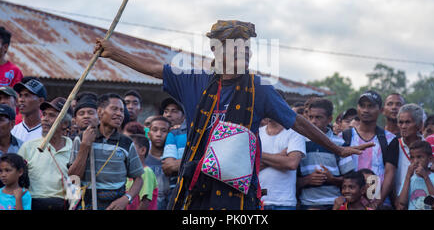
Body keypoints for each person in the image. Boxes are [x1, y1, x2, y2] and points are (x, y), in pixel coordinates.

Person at [95, 19, 372, 210]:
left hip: (238, 194)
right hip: (195, 188)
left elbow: (296, 120)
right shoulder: (194, 80)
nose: (247, 54)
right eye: (238, 47)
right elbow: (155, 68)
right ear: (218, 51)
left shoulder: (260, 89)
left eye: (248, 48)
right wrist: (115, 52)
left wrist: (336, 147)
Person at [68, 93, 144, 210]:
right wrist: (85, 146)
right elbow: (73, 177)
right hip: (86, 204)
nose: (119, 114)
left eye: (121, 111)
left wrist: (126, 199)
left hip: (115, 205)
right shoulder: (82, 138)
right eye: (114, 109)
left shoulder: (126, 143)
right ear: (99, 112)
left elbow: (138, 179)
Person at [342, 90, 398, 209]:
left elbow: (390, 174)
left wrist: (377, 203)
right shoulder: (345, 136)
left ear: (381, 110)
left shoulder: (390, 139)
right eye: (362, 106)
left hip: (380, 203)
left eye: (371, 106)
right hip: (350, 204)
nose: (365, 110)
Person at [297, 98, 355, 210]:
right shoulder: (299, 142)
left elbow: (351, 180)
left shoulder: (339, 143)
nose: (313, 121)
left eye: (318, 117)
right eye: (310, 117)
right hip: (307, 204)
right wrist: (307, 179)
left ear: (329, 119)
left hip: (334, 204)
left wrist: (331, 178)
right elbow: (289, 179)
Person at [18, 97, 73, 210]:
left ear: (65, 124)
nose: (44, 119)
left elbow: (76, 181)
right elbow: (16, 178)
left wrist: (73, 205)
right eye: (44, 114)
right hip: (33, 203)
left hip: (63, 205)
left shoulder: (74, 148)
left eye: (51, 115)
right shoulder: (28, 147)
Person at [259, 117, 305, 210]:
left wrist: (259, 155)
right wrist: (280, 156)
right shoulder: (257, 133)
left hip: (284, 202)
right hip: (258, 201)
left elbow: (292, 163)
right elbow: (250, 168)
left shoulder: (294, 133)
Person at [396, 140, 434, 210]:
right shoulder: (409, 178)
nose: (415, 161)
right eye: (412, 157)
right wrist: (407, 177)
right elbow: (402, 202)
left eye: (419, 157)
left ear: (430, 158)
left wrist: (425, 177)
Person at [395, 104, 425, 199]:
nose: (403, 126)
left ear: (419, 125)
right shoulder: (394, 146)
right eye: (401, 122)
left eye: (408, 122)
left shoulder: (427, 147)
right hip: (398, 201)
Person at [161, 97, 187, 204]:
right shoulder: (173, 134)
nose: (168, 115)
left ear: (184, 115)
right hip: (175, 190)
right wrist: (194, 164)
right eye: (166, 111)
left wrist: (179, 163)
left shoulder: (198, 133)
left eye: (174, 111)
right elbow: (168, 167)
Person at [144, 116, 171, 210]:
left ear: (169, 133)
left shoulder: (174, 161)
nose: (159, 134)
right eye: (155, 130)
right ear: (149, 133)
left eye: (163, 131)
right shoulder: (142, 159)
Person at [126, 134, 158, 210]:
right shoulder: (127, 174)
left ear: (143, 150)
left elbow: (145, 201)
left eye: (130, 148)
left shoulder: (146, 172)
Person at [11, 78, 47, 143]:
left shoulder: (48, 134)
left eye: (27, 95)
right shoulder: (12, 131)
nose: (21, 100)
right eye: (20, 95)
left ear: (40, 101)